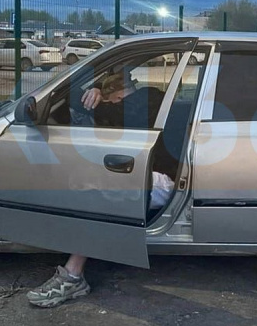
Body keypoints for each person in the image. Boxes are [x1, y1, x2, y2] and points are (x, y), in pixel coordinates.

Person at [26, 70, 170, 309]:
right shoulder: (139, 101)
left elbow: (79, 97)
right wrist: (96, 90)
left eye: (111, 100)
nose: (110, 106)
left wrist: (92, 92)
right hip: (153, 174)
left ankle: (72, 276)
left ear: (120, 93)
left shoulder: (143, 100)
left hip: (166, 180)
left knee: (95, 189)